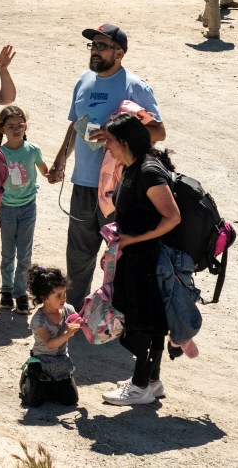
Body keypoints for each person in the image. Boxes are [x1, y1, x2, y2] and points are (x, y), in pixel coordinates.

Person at [46, 24, 164, 312]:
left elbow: (158, 132)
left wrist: (116, 135)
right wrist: (61, 159)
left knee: (119, 253)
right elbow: (76, 124)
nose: (95, 51)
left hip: (120, 187)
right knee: (78, 255)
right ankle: (75, 313)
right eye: (93, 46)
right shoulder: (84, 81)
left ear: (119, 53)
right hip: (84, 183)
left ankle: (118, 315)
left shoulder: (135, 87)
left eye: (102, 46)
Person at [101, 113, 180, 406]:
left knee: (142, 323)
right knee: (151, 321)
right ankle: (151, 381)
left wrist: (134, 240)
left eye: (110, 140)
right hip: (132, 257)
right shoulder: (132, 167)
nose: (106, 146)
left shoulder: (148, 171)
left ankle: (138, 387)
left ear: (123, 141)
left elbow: (172, 217)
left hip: (146, 261)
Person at [0, 106, 48, 314]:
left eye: (20, 125)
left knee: (24, 254)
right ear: (2, 130)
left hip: (27, 207)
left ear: (26, 126)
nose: (16, 130)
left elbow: (44, 170)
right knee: (8, 253)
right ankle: (7, 291)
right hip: (6, 209)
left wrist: (53, 173)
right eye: (11, 126)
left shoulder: (33, 150)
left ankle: (21, 293)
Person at [20, 265, 80, 407]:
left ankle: (51, 385)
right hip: (42, 362)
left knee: (70, 400)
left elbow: (80, 320)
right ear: (43, 297)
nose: (63, 298)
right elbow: (50, 344)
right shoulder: (39, 320)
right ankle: (27, 378)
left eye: (64, 293)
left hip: (62, 362)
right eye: (58, 295)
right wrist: (68, 333)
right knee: (34, 401)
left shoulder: (68, 309)